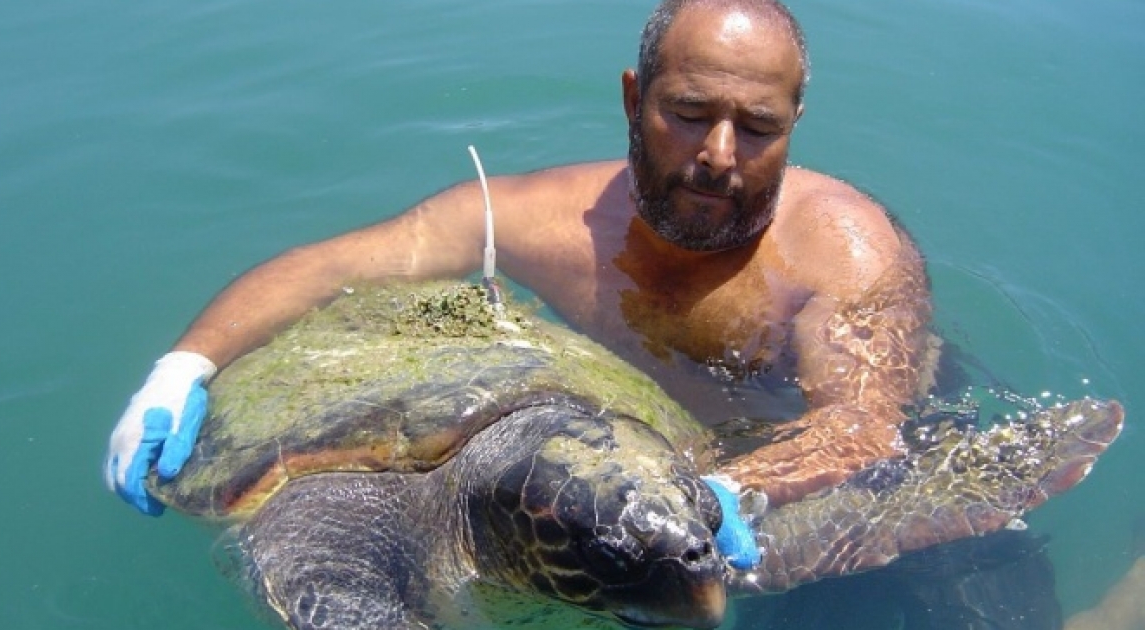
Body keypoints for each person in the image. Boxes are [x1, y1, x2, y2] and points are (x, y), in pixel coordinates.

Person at [105, 0, 934, 517]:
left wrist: (715, 500)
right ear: (631, 98)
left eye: (758, 127)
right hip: (628, 490)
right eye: (688, 112)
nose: (720, 153)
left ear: (795, 122)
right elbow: (328, 267)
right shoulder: (529, 220)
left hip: (850, 484)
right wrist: (183, 367)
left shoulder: (846, 253)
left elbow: (861, 429)